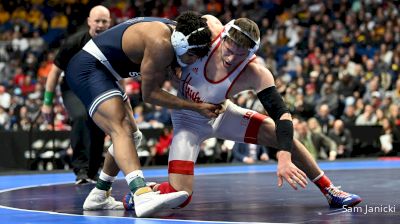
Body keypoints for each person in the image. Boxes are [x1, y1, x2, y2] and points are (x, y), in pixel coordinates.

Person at [136, 15, 362, 210]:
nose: (231, 58)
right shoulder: (210, 29)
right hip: (187, 121)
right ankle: (146, 192)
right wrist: (172, 64)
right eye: (229, 50)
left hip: (221, 114)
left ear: (251, 53)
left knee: (282, 136)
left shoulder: (256, 73)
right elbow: (176, 32)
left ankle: (330, 190)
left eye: (240, 55)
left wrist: (283, 155)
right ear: (222, 36)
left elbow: (282, 115)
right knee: (181, 197)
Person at [65, 11, 220, 217]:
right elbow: (150, 95)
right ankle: (141, 193)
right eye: (192, 56)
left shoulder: (180, 34)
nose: (192, 61)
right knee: (121, 129)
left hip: (105, 71)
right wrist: (196, 106)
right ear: (181, 44)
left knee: (133, 136)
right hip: (88, 68)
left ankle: (100, 194)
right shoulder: (160, 44)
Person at [42, 5, 111, 184]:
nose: (101, 25)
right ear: (89, 21)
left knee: (98, 123)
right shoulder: (74, 43)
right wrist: (47, 103)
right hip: (72, 89)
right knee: (81, 116)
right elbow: (54, 73)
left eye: (104, 21)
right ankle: (81, 169)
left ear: (110, 23)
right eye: (97, 21)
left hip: (96, 89)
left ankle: (93, 170)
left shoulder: (113, 44)